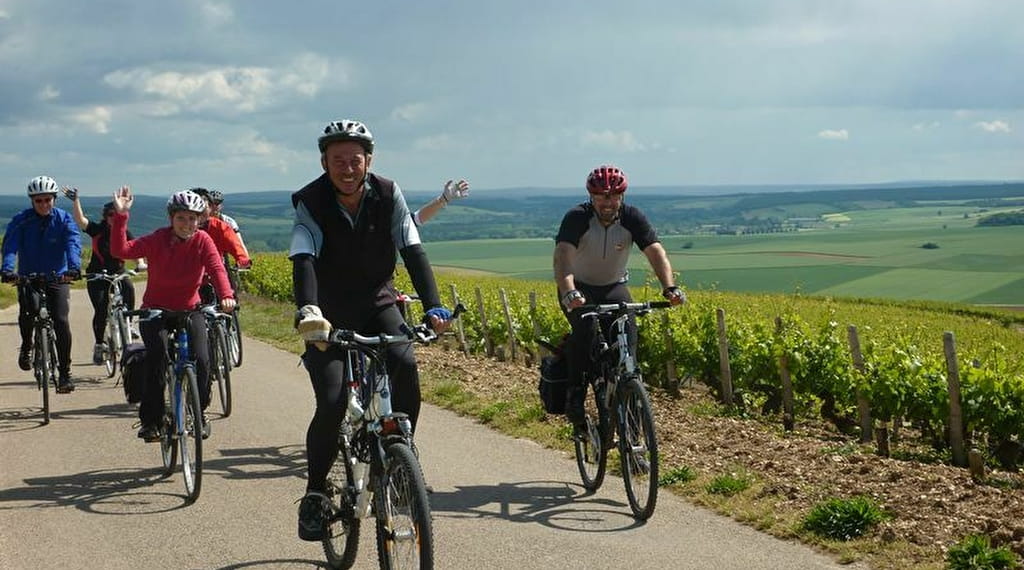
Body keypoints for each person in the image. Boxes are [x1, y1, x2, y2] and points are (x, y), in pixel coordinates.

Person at [289, 118, 455, 541]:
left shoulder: (387, 193)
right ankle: (314, 494)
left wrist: (434, 304)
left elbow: (413, 250)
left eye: (355, 160)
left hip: (379, 302)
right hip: (327, 312)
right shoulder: (311, 200)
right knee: (331, 400)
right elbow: (304, 257)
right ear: (324, 163)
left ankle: (402, 455)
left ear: (369, 161)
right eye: (338, 160)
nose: (347, 168)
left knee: (404, 361)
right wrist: (309, 310)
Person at [552, 164, 686, 430]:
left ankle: (631, 404)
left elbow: (656, 252)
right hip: (579, 288)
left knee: (628, 337)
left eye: (614, 196)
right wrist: (569, 291)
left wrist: (669, 287)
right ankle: (575, 395)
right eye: (601, 196)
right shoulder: (577, 218)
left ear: (622, 196)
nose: (608, 202)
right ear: (591, 197)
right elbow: (562, 258)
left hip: (613, 286)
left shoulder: (632, 217)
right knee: (585, 330)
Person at [108, 186, 236, 441]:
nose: (186, 224)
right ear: (171, 218)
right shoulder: (157, 239)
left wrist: (226, 295)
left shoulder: (203, 240)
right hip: (155, 311)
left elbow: (216, 267)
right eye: (181, 218)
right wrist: (121, 216)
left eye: (192, 218)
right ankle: (151, 421)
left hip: (190, 309)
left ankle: (198, 412)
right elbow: (121, 251)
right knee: (158, 357)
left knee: (202, 359)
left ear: (199, 219)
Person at [1, 176, 82, 393]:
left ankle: (65, 373)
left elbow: (73, 243)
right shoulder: (22, 220)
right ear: (32, 201)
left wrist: (74, 268)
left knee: (61, 320)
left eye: (48, 200)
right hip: (29, 276)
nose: (44, 205)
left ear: (54, 199)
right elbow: (10, 246)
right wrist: (8, 270)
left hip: (58, 276)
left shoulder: (64, 220)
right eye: (39, 201)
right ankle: (27, 345)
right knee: (28, 312)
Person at [62, 187, 145, 364]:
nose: (113, 218)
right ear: (105, 216)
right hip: (97, 274)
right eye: (110, 215)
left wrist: (140, 264)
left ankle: (128, 324)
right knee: (101, 309)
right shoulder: (98, 230)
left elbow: (134, 248)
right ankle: (99, 344)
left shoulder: (124, 231)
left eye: (116, 215)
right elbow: (81, 220)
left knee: (129, 288)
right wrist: (76, 200)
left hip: (118, 272)